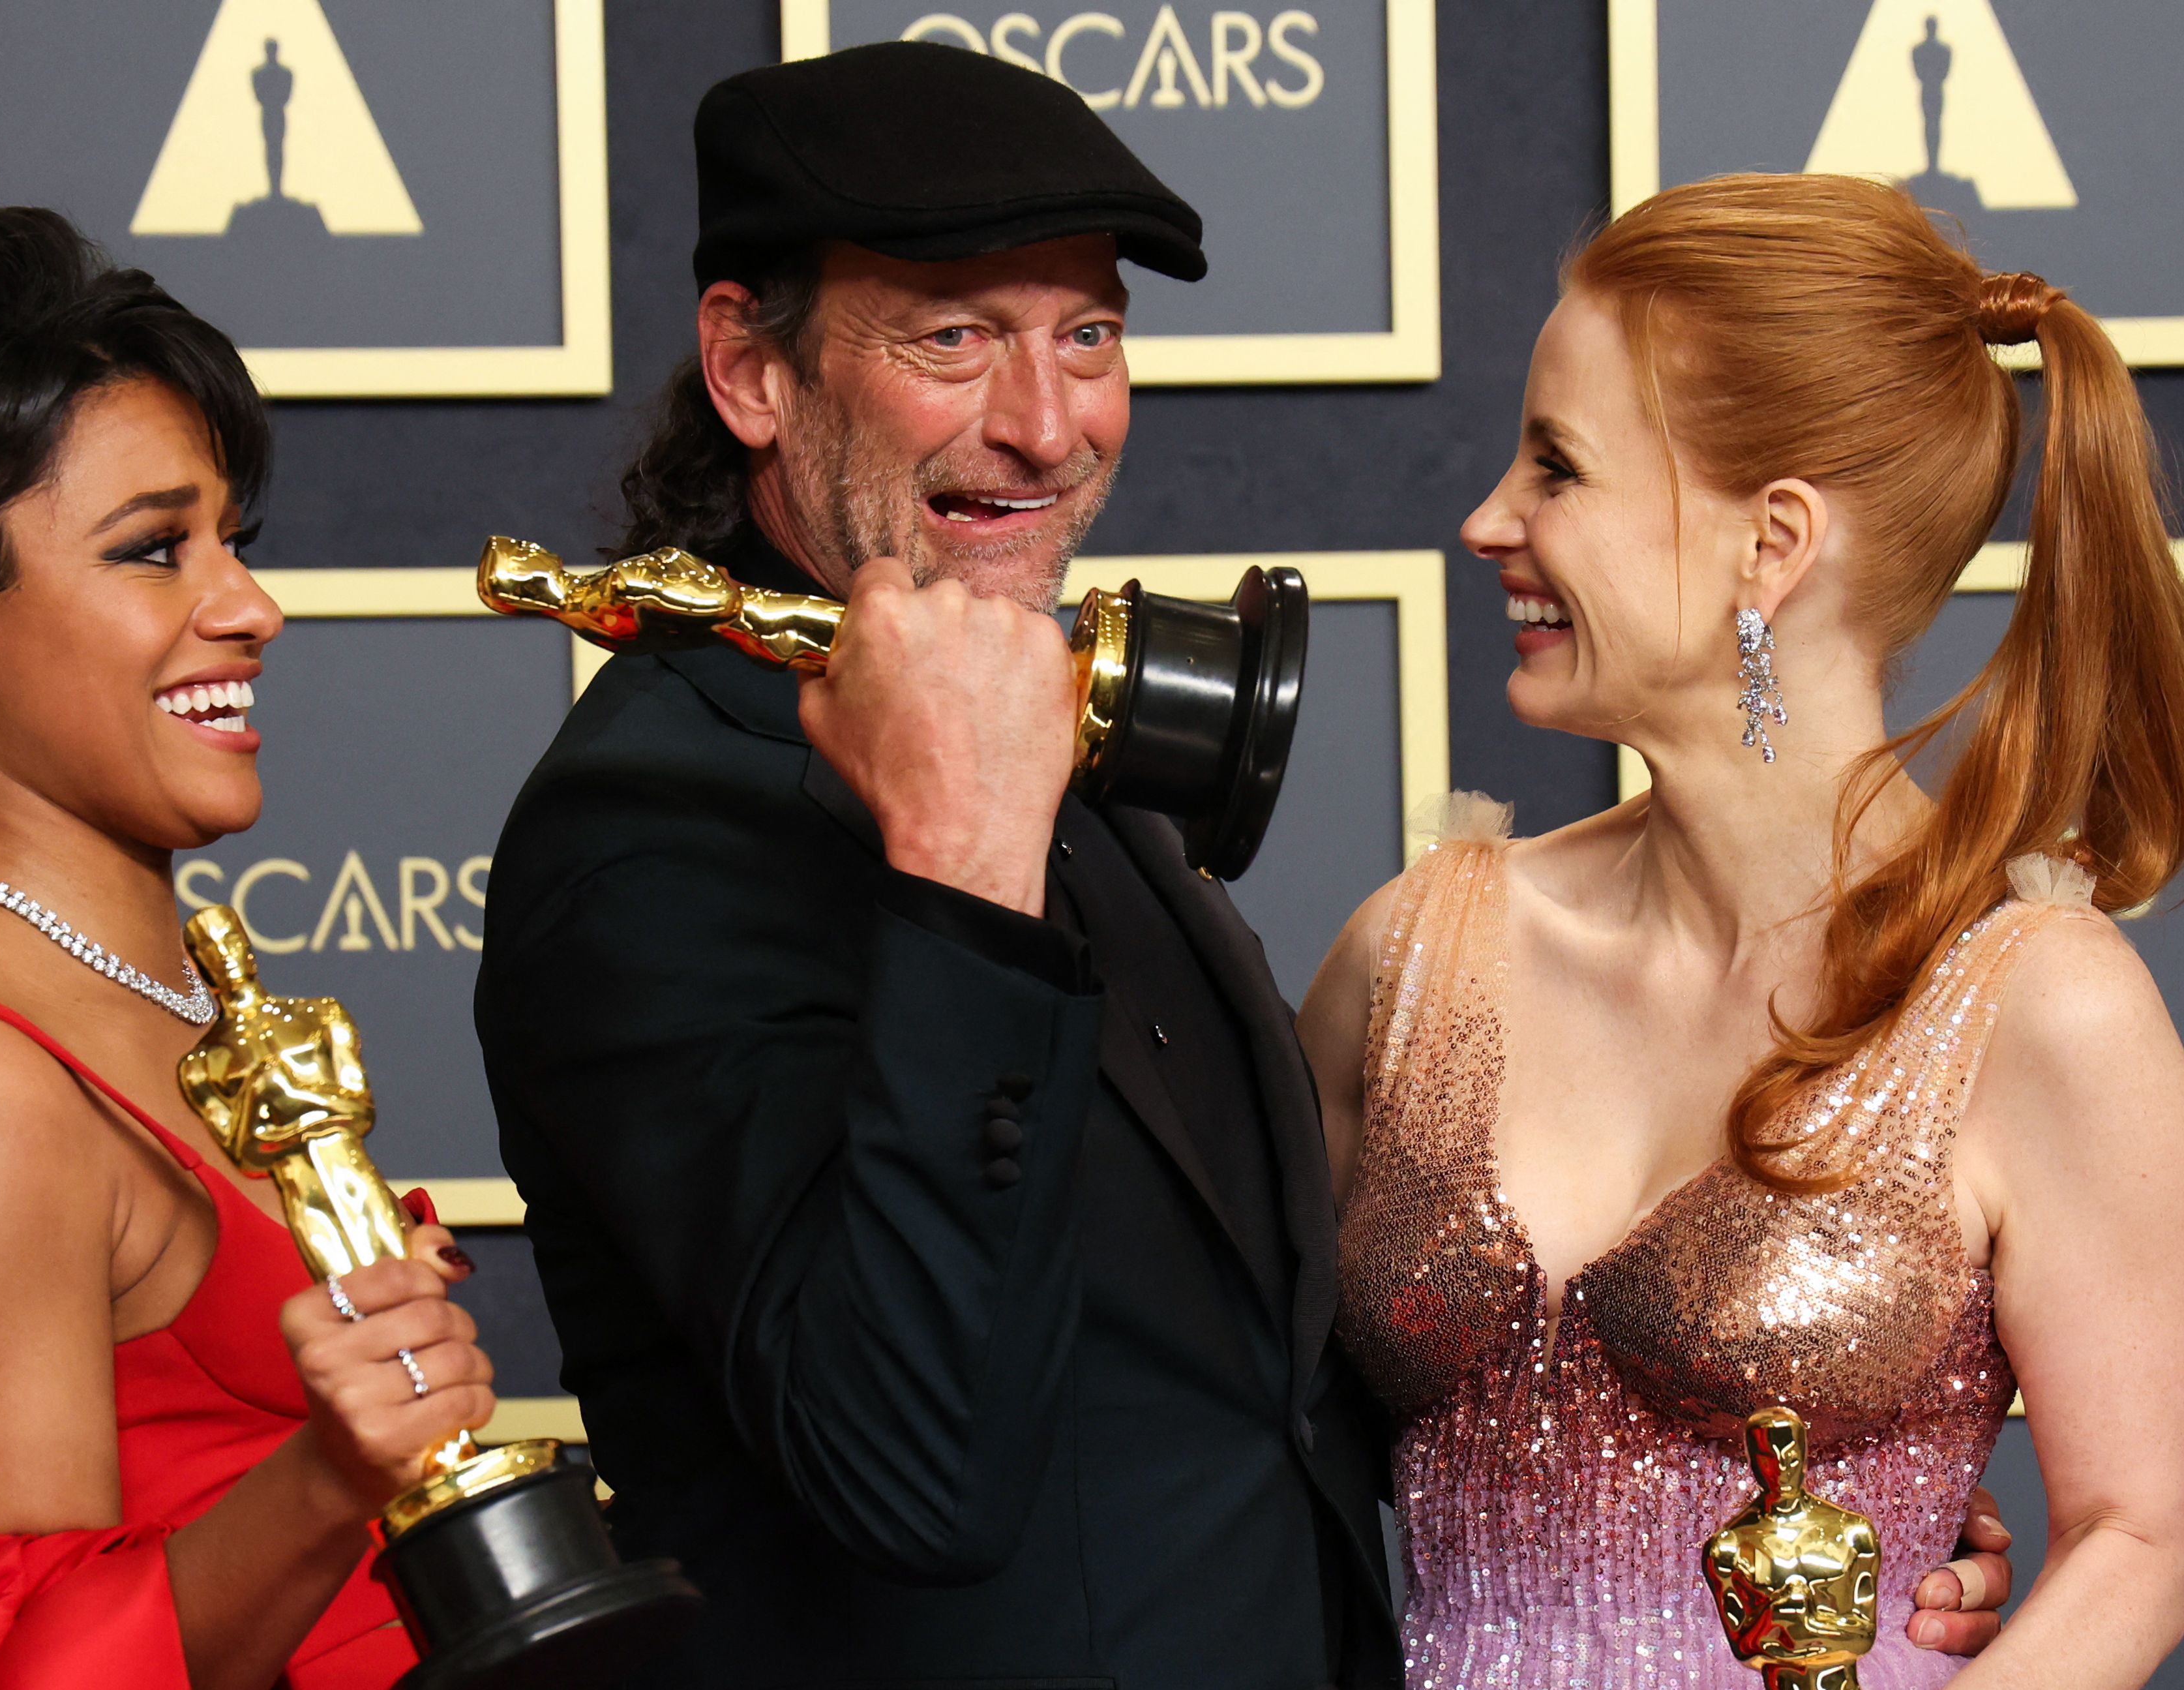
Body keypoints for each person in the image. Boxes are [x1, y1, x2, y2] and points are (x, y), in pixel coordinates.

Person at [471, 46, 2014, 1688]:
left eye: (1088, 337)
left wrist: (1781, 1478)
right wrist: (960, 874)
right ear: (751, 368)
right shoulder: (646, 841)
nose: (1046, 427)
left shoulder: (1049, 717)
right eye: (954, 339)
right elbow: (907, 1475)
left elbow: (1242, 1360)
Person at [1299, 174, 2184, 1689]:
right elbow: (1238, 1434)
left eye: (1557, 469)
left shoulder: (2036, 1009)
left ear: (1769, 545)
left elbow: (2134, 1550)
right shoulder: (1410, 957)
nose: (1488, 522)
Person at [0, 206, 494, 1690]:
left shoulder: (183, 975)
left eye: (235, 541)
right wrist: (329, 1475)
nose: (251, 608)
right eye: (155, 550)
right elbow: (20, 1672)